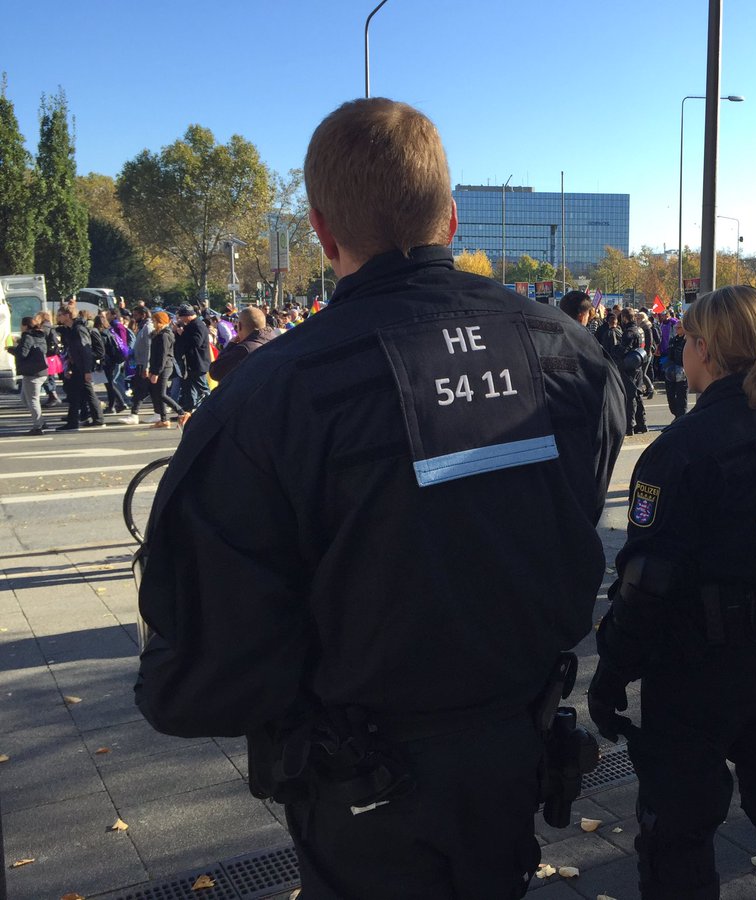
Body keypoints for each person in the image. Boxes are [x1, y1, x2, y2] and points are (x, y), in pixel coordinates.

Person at [134, 97, 625, 899]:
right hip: (511, 750)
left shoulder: (268, 397)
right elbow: (565, 515)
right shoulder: (567, 353)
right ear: (454, 218)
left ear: (323, 234)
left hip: (363, 785)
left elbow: (204, 663)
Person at [588, 286, 756, 899]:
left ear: (704, 349)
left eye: (686, 342)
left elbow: (646, 583)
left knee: (678, 835)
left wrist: (613, 670)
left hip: (698, 668)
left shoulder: (681, 450)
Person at [54, 306, 104, 430]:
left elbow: (85, 351)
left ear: (67, 315)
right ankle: (78, 421)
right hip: (77, 366)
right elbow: (74, 351)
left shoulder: (78, 329)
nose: (58, 317)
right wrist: (70, 366)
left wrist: (87, 370)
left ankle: (95, 419)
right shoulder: (71, 329)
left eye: (59, 314)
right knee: (77, 394)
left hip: (82, 367)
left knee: (84, 392)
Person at [208, 307, 274, 383]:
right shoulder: (274, 340)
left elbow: (215, 371)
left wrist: (230, 345)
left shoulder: (244, 349)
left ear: (239, 326)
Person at [8, 316, 50, 435]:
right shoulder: (40, 335)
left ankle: (38, 427)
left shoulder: (27, 336)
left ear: (25, 326)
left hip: (32, 373)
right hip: (41, 371)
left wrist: (11, 349)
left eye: (21, 325)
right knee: (25, 398)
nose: (20, 327)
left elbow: (23, 354)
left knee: (32, 400)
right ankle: (41, 421)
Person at [146, 311, 185, 428]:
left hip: (164, 367)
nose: (152, 323)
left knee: (162, 394)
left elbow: (163, 355)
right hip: (158, 366)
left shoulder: (165, 335)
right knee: (158, 393)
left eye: (154, 321)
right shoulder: (158, 334)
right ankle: (163, 419)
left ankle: (181, 412)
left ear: (160, 322)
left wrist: (156, 372)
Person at [173, 304, 211, 414]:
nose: (181, 319)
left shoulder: (198, 325)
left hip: (198, 362)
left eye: (182, 316)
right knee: (190, 388)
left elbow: (196, 342)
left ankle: (212, 404)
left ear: (188, 315)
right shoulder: (191, 325)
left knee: (202, 386)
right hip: (191, 362)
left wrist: (182, 333)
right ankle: (189, 410)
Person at [662, 319, 688, 420]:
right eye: (675, 328)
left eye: (679, 328)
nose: (676, 329)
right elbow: (669, 355)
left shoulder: (687, 341)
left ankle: (681, 419)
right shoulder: (673, 340)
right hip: (672, 372)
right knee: (671, 399)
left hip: (683, 373)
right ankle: (677, 416)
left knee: (681, 399)